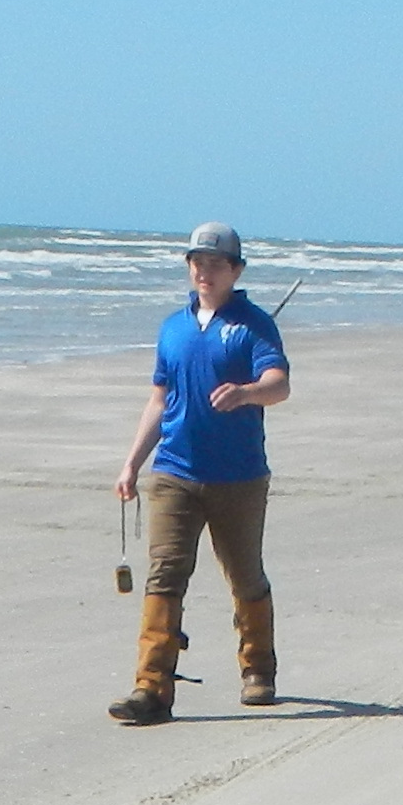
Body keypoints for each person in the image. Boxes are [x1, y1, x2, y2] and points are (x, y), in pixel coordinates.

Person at [108, 223, 292, 722]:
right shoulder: (173, 328)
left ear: (236, 269)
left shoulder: (253, 325)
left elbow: (279, 384)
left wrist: (246, 392)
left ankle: (258, 668)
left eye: (214, 263)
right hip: (174, 472)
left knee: (244, 574)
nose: (203, 271)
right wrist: (132, 462)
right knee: (164, 576)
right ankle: (152, 688)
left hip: (239, 476)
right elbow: (159, 399)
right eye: (196, 263)